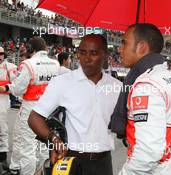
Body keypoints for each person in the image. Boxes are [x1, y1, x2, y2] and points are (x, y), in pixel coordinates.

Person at [28, 34, 121, 175]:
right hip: (70, 161)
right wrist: (54, 139)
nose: (87, 58)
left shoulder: (118, 87)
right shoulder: (62, 83)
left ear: (106, 55)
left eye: (94, 53)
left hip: (104, 164)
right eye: (82, 52)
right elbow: (34, 118)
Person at [115, 23, 171, 175]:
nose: (119, 49)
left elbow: (148, 153)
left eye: (124, 43)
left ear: (141, 47)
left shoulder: (146, 85)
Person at [0, 37, 60, 175]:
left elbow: (18, 89)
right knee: (45, 145)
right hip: (49, 109)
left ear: (31, 49)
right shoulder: (55, 64)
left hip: (31, 109)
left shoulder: (28, 64)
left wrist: (7, 88)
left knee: (28, 146)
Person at [0, 46, 17, 170]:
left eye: (1, 53)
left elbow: (16, 84)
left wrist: (4, 88)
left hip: (3, 100)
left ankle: (3, 157)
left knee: (2, 128)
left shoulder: (10, 67)